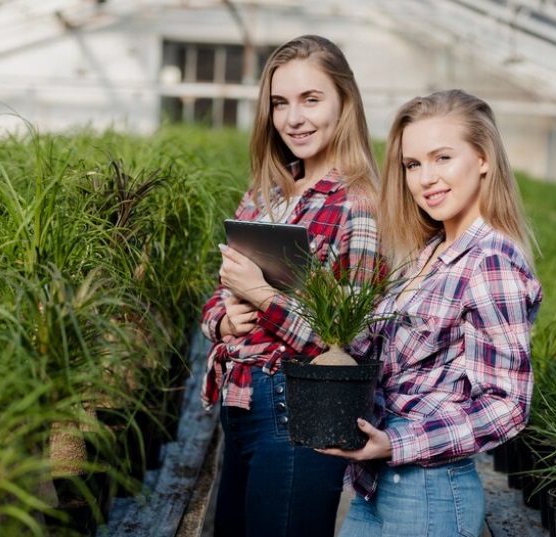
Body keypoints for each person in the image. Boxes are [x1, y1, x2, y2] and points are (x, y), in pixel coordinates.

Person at [319, 89, 544, 537]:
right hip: (375, 485)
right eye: (413, 164)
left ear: (483, 159)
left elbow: (507, 406)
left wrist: (397, 442)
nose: (426, 178)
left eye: (442, 157)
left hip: (428, 491)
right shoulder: (427, 252)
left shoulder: (491, 260)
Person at [199, 35, 382, 537]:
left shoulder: (358, 204)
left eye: (311, 99)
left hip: (298, 410)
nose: (293, 118)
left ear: (345, 101)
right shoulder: (264, 193)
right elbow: (217, 293)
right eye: (280, 103)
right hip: (239, 406)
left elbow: (351, 343)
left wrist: (262, 297)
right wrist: (224, 317)